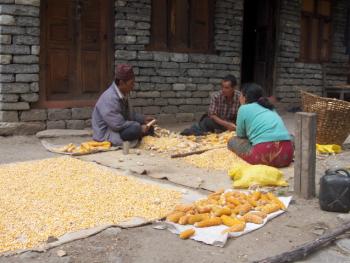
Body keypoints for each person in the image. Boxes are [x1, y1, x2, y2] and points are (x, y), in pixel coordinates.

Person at [227, 83, 293, 168]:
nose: (239, 98)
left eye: (240, 95)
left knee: (232, 141)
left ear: (244, 97)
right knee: (290, 136)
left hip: (263, 157)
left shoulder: (243, 108)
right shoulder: (270, 107)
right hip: (286, 156)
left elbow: (240, 135)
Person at [92, 64, 154, 146]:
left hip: (120, 127)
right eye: (131, 83)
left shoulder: (123, 93)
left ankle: (139, 134)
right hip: (107, 133)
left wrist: (143, 119)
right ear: (121, 83)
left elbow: (130, 114)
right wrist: (139, 126)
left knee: (149, 128)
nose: (133, 86)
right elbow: (117, 125)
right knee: (136, 129)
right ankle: (137, 135)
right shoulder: (109, 97)